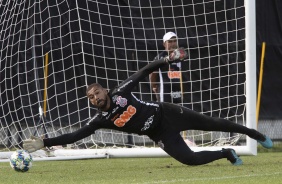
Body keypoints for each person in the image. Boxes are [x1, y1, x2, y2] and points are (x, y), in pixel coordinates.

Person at [23, 48, 273, 166]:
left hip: (168, 113)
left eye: (96, 91)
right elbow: (75, 135)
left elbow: (145, 70)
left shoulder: (121, 92)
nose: (94, 97)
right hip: (159, 133)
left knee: (216, 123)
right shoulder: (100, 120)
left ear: (105, 90)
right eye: (90, 97)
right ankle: (227, 153)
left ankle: (256, 135)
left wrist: (167, 59)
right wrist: (45, 143)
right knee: (189, 159)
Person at [150, 31, 183, 103]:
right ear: (164, 44)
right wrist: (154, 87)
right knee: (165, 112)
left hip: (179, 92)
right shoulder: (160, 57)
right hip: (165, 93)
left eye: (175, 41)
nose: (173, 44)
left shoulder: (181, 56)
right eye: (170, 42)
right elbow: (153, 74)